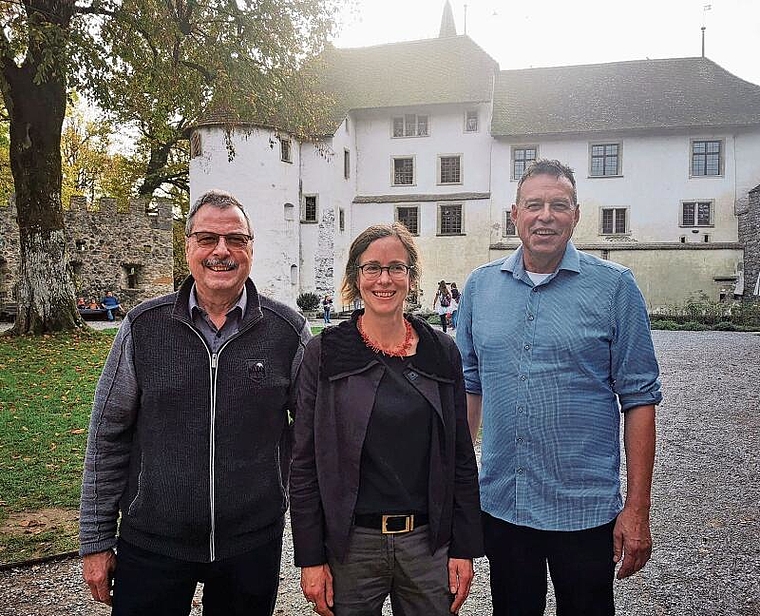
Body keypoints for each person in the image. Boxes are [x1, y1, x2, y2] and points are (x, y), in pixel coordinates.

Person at [79, 189, 311, 616]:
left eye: (235, 239)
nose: (221, 251)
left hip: (251, 545)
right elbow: (107, 435)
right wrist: (95, 541)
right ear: (187, 247)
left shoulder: (287, 332)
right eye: (207, 239)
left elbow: (311, 440)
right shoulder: (143, 326)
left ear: (250, 249)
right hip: (152, 543)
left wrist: (308, 538)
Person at [456, 159, 662, 615]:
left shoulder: (614, 288)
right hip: (505, 503)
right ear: (514, 214)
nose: (545, 215)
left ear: (576, 215)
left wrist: (637, 508)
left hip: (584, 509)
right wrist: (457, 482)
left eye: (558, 205)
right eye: (534, 204)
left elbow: (640, 400)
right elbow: (471, 387)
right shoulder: (480, 287)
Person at [290, 223, 483, 616]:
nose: (384, 279)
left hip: (427, 544)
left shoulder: (440, 351)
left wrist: (464, 548)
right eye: (371, 268)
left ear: (411, 279)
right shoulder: (326, 352)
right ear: (355, 278)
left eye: (396, 268)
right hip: (351, 545)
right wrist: (310, 558)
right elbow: (305, 462)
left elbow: (461, 456)